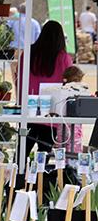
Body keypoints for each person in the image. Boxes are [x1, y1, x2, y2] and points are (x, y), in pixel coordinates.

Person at [25, 20, 74, 153]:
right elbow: (69, 83)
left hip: (29, 106)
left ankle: (18, 173)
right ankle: (42, 174)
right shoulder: (64, 58)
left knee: (22, 150)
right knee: (45, 151)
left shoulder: (28, 53)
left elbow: (20, 78)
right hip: (52, 110)